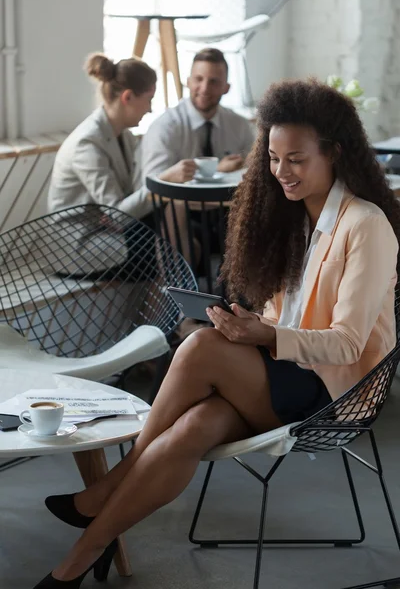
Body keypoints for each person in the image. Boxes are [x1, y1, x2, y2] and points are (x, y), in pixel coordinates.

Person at [32, 78, 400, 588]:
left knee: (202, 344)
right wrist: (251, 327)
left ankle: (110, 486)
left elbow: (349, 343)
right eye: (273, 158)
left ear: (334, 153)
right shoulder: (293, 221)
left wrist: (264, 337)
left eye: (296, 159)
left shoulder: (366, 224)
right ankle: (80, 558)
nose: (281, 172)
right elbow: (285, 319)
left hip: (335, 390)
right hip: (283, 376)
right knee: (194, 427)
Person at [47, 53, 157, 275]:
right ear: (127, 97)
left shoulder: (124, 135)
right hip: (79, 246)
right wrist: (159, 187)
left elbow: (120, 206)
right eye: (149, 99)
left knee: (168, 233)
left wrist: (120, 212)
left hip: (108, 232)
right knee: (165, 244)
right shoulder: (87, 142)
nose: (150, 108)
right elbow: (118, 212)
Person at [141, 47, 255, 183]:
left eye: (213, 82)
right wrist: (216, 169)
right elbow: (151, 185)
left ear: (226, 88)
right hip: (177, 203)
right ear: (188, 82)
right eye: (198, 79)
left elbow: (255, 172)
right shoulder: (165, 127)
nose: (205, 88)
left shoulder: (240, 126)